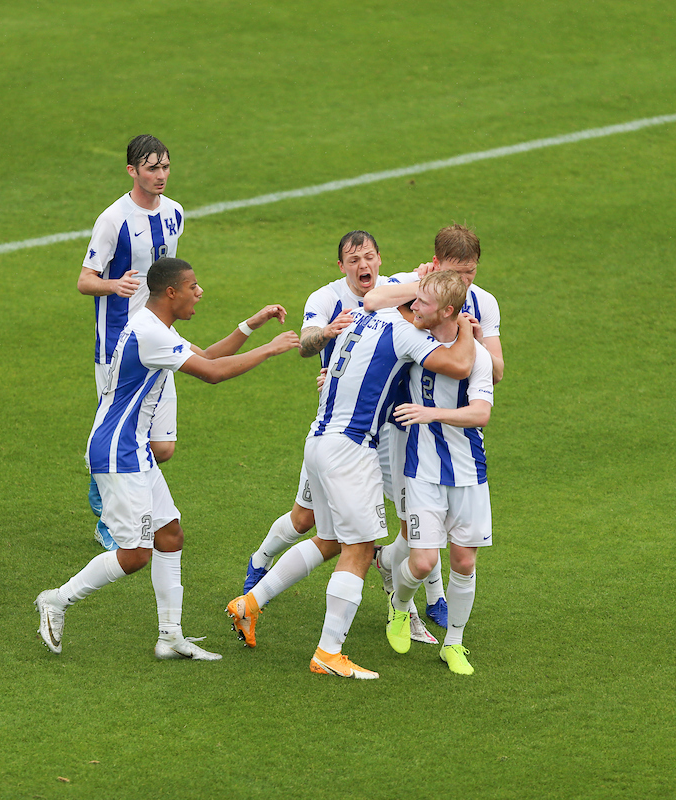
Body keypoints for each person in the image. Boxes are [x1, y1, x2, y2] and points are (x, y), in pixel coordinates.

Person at [38, 257, 298, 660]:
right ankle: (56, 600)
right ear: (171, 292)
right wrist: (270, 349)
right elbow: (212, 373)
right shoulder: (150, 333)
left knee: (170, 534)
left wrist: (252, 324)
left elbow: (208, 355)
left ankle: (170, 636)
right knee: (135, 555)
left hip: (132, 448)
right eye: (193, 286)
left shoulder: (155, 327)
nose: (200, 292)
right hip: (118, 452)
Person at [225, 261, 475, 679]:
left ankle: (249, 603)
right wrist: (465, 327)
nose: (424, 311)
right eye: (422, 303)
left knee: (327, 540)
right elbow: (460, 366)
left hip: (318, 440)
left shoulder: (360, 316)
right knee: (359, 550)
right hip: (351, 449)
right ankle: (329, 651)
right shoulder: (406, 334)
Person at [238, 231, 440, 645]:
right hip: (347, 431)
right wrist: (328, 333)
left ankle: (420, 603)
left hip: (376, 428)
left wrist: (428, 273)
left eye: (369, 257)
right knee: (318, 526)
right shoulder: (329, 300)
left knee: (401, 517)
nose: (363, 265)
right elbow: (306, 345)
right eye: (353, 259)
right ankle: (265, 567)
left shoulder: (391, 292)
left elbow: (427, 284)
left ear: (380, 259)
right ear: (342, 266)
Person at [367, 224, 502, 629]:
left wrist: (472, 339)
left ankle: (426, 594)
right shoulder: (416, 286)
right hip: (404, 427)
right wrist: (420, 288)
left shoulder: (483, 303)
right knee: (416, 531)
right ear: (437, 263)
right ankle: (420, 595)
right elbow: (372, 300)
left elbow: (495, 371)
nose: (465, 281)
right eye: (456, 272)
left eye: (471, 272)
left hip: (452, 430)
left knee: (437, 537)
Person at [382, 269, 494, 675]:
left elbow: (480, 413)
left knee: (464, 562)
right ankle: (399, 607)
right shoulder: (414, 344)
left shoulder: (477, 355)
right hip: (422, 469)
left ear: (447, 311)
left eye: (423, 302)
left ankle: (454, 644)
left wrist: (432, 413)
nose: (414, 306)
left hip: (468, 472)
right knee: (423, 561)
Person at [77, 134, 183, 551]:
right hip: (118, 347)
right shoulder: (113, 220)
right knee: (120, 433)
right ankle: (109, 514)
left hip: (159, 341)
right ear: (132, 171)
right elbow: (84, 280)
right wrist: (112, 285)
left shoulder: (175, 213)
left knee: (162, 446)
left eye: (165, 166)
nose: (160, 175)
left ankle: (105, 487)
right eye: (152, 168)